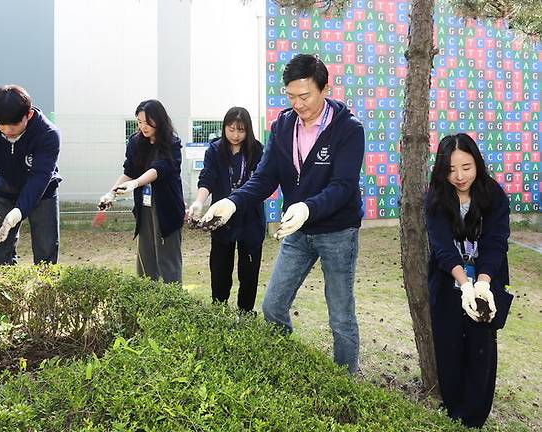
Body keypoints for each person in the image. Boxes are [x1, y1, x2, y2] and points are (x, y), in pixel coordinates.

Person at [201, 54, 365, 373]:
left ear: (324, 89)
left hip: (337, 231)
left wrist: (307, 207)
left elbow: (343, 186)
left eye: (304, 96)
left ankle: (347, 382)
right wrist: (232, 202)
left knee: (340, 315)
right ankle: (285, 367)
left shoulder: (348, 129)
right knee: (272, 306)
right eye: (290, 96)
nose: (298, 104)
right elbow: (264, 177)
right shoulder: (283, 125)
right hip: (297, 232)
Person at [425, 133, 511, 428]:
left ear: (477, 164)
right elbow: (441, 247)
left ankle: (473, 419)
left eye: (466, 167)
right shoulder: (435, 197)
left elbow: (496, 242)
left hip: (485, 286)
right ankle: (453, 414)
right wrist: (464, 284)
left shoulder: (494, 195)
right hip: (449, 288)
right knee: (448, 351)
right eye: (451, 169)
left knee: (481, 352)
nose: (459, 176)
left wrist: (482, 285)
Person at [0, 85, 61, 265]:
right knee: (0, 249)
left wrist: (20, 210)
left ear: (29, 115)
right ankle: (5, 289)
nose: (8, 130)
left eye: (14, 124)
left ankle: (46, 290)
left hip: (42, 191)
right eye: (1, 124)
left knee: (46, 250)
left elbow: (40, 176)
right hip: (4, 188)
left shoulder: (47, 133)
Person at [188, 107, 265, 313]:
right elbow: (208, 178)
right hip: (221, 219)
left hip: (250, 218)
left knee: (249, 271)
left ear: (248, 130)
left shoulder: (258, 150)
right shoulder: (214, 150)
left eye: (241, 130)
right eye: (231, 129)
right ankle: (219, 310)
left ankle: (245, 312)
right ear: (224, 128)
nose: (236, 135)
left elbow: (262, 184)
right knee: (220, 269)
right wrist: (198, 202)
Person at [99, 99, 184, 283]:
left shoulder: (172, 143)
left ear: (159, 120)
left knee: (168, 262)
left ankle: (173, 304)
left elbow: (159, 169)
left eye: (147, 122)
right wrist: (111, 193)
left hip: (166, 209)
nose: (143, 127)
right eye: (139, 122)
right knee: (145, 261)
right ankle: (147, 300)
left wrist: (136, 183)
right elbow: (129, 171)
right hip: (144, 208)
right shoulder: (136, 142)